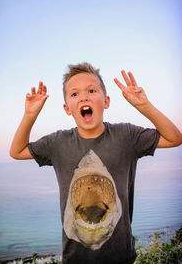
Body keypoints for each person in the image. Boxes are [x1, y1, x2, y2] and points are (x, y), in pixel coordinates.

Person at [10, 62, 182, 264]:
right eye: (74, 94)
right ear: (67, 108)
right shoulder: (58, 142)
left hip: (122, 257)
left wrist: (144, 106)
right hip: (75, 259)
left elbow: (174, 138)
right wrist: (30, 115)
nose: (84, 96)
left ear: (106, 101)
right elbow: (17, 151)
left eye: (92, 90)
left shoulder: (126, 136)